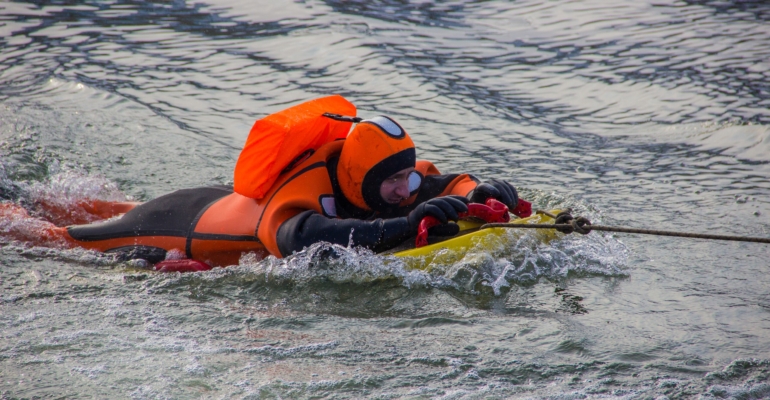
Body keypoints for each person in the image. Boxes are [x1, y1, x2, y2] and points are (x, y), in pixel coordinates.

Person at [3, 99, 529, 270]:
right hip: (176, 225)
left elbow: (443, 182)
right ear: (360, 178)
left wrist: (482, 191)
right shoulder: (306, 187)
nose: (406, 188)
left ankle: (43, 197)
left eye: (406, 177)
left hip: (216, 199)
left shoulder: (388, 175)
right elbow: (298, 236)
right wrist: (404, 224)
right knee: (60, 235)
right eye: (393, 182)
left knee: (87, 205)